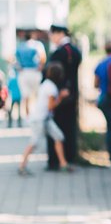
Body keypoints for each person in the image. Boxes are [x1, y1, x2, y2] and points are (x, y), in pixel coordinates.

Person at [18, 62, 73, 175]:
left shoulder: (46, 83)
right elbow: (51, 106)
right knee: (35, 142)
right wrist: (61, 97)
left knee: (58, 137)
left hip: (45, 118)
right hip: (40, 119)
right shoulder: (51, 88)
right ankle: (22, 166)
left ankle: (63, 164)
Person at [47, 24, 82, 168]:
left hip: (58, 96)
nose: (51, 37)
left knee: (56, 127)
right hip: (72, 95)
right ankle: (70, 156)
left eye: (52, 34)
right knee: (70, 127)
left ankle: (55, 160)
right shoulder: (76, 51)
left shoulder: (59, 52)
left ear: (60, 33)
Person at [15, 31, 46, 118]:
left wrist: (19, 68)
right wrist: (41, 66)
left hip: (24, 72)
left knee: (26, 96)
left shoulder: (20, 46)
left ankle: (28, 116)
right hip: (35, 72)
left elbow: (15, 60)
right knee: (37, 94)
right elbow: (43, 57)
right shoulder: (37, 45)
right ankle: (37, 114)